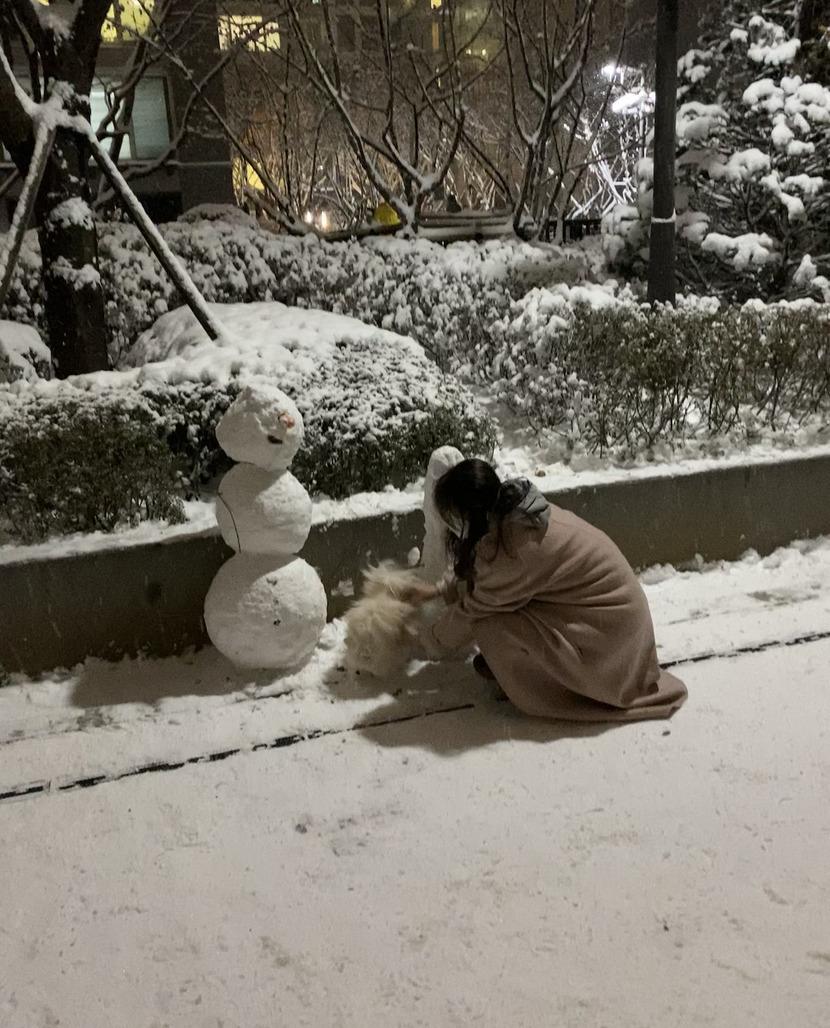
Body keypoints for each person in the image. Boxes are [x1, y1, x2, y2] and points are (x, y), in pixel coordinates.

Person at [419, 459, 687, 722]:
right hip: (614, 625)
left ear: (470, 515)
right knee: (503, 615)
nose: (451, 527)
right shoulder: (513, 513)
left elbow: (472, 609)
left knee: (490, 626)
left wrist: (425, 640)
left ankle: (554, 689)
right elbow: (481, 576)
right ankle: (532, 670)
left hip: (612, 643)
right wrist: (437, 591)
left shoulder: (515, 551)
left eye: (453, 519)